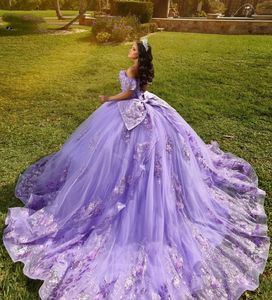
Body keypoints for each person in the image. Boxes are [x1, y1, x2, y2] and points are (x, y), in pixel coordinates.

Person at [2, 38, 270, 300]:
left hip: (131, 111)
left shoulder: (132, 71)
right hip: (145, 108)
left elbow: (129, 94)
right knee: (134, 155)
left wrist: (109, 97)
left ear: (138, 55)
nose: (129, 50)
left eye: (132, 48)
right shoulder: (142, 71)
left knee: (127, 156)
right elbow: (139, 91)